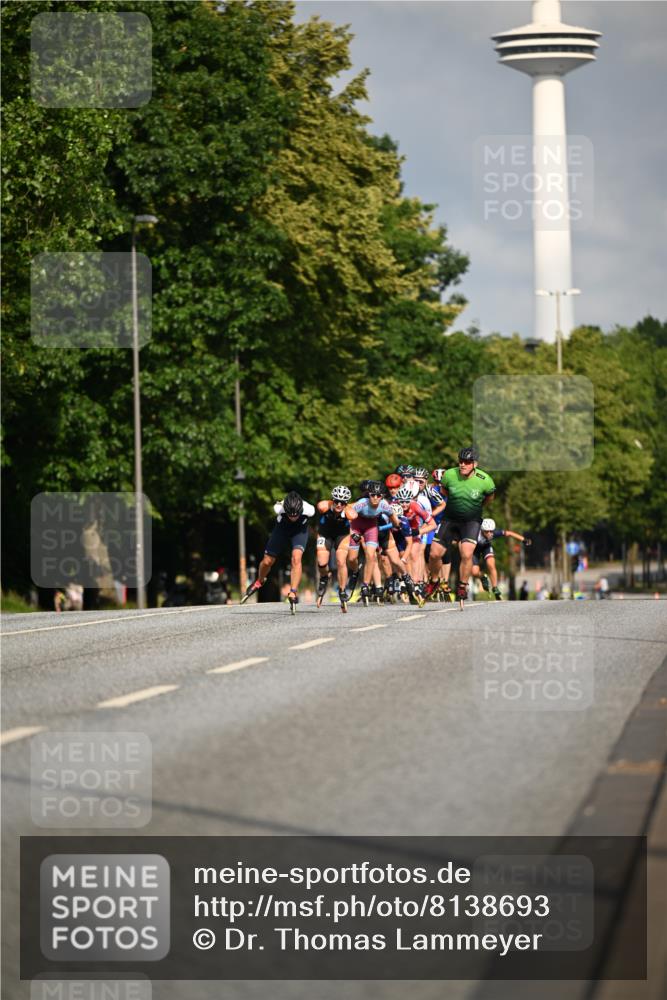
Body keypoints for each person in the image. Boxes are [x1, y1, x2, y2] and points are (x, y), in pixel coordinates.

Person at [426, 447, 496, 605]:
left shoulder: (485, 480)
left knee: (466, 553)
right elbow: (444, 491)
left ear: (475, 464)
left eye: (467, 462)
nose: (463, 464)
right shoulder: (450, 475)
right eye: (461, 461)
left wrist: (475, 507)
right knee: (434, 553)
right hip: (450, 519)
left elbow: (490, 497)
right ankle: (434, 580)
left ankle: (462, 586)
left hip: (471, 521)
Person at [241, 491, 315, 609]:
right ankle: (259, 581)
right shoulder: (279, 508)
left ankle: (293, 591)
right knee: (267, 561)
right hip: (282, 530)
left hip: (299, 532)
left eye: (296, 515)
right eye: (290, 515)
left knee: (296, 558)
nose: (293, 518)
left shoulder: (309, 510)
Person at [344, 481, 401, 605]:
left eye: (378, 495)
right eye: (372, 495)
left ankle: (365, 585)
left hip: (371, 528)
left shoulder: (384, 505)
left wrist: (398, 525)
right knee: (352, 558)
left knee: (371, 556)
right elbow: (346, 518)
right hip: (356, 526)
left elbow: (395, 520)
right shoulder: (361, 503)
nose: (375, 498)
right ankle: (355, 572)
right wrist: (351, 533)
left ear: (382, 496)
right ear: (368, 495)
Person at [473, 518, 531, 600]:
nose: (489, 533)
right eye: (487, 531)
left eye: (491, 531)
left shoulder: (494, 533)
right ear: (482, 530)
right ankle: (483, 577)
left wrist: (523, 539)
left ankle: (495, 588)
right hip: (474, 550)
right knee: (474, 572)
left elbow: (509, 533)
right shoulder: (474, 533)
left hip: (486, 547)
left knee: (491, 564)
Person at [315, 485, 352, 607]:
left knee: (341, 561)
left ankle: (342, 590)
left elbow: (354, 521)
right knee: (321, 563)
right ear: (332, 500)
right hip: (325, 534)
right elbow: (320, 505)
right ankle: (325, 576)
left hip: (342, 536)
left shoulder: (349, 512)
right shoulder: (324, 506)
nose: (339, 505)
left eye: (342, 503)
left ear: (346, 503)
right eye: (336, 501)